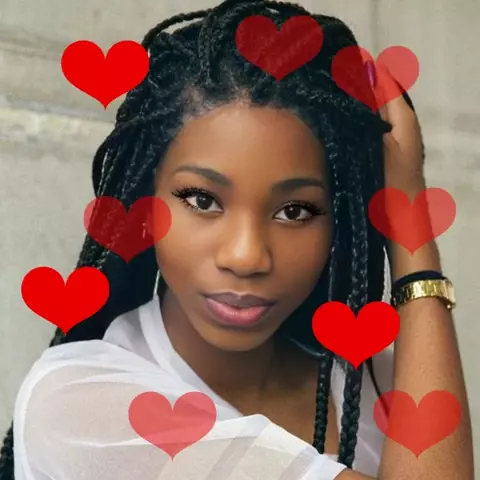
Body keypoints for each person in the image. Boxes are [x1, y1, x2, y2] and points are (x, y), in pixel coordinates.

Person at [0, 0, 474, 479]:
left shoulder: (379, 381)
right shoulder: (80, 406)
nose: (246, 256)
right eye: (202, 200)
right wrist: (415, 241)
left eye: (295, 211)